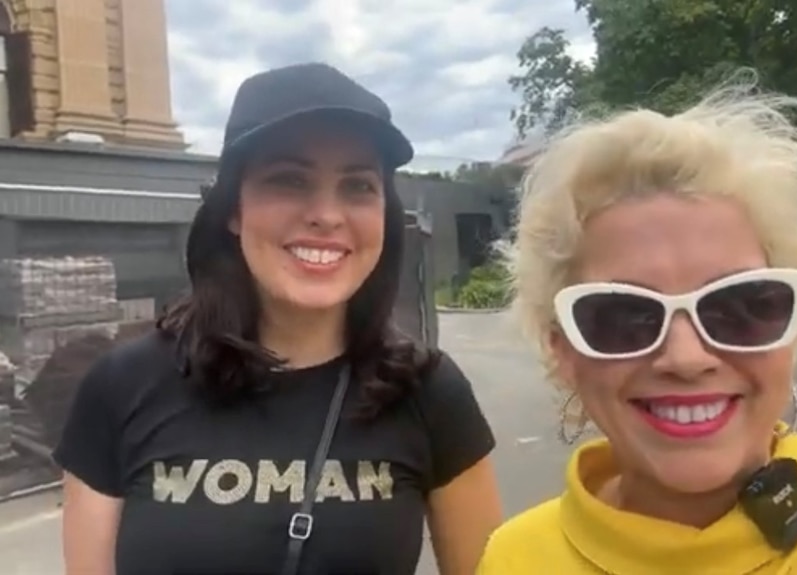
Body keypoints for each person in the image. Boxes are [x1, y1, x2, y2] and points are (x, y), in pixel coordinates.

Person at [54, 63, 502, 575]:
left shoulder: (428, 392)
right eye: (288, 180)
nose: (327, 215)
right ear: (233, 209)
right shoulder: (122, 387)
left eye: (358, 186)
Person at [477, 78, 797, 573]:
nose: (685, 357)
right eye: (624, 317)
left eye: (739, 306)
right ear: (564, 351)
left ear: (795, 321)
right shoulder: (515, 561)